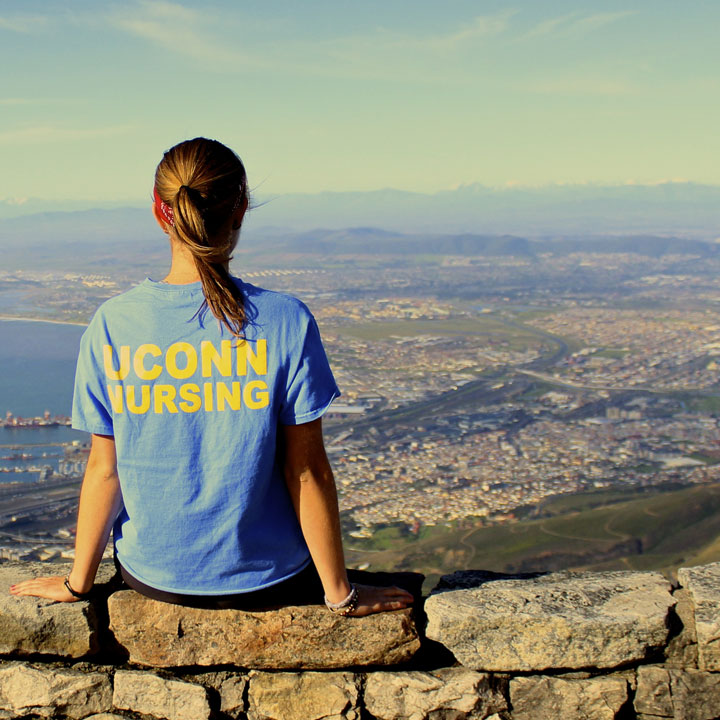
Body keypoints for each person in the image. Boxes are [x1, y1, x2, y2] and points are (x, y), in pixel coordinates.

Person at [10, 138, 415, 616]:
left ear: (161, 213)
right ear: (241, 209)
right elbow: (305, 471)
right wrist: (340, 595)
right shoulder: (286, 320)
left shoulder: (114, 324)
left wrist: (79, 583)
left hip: (154, 578)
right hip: (268, 578)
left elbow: (105, 469)